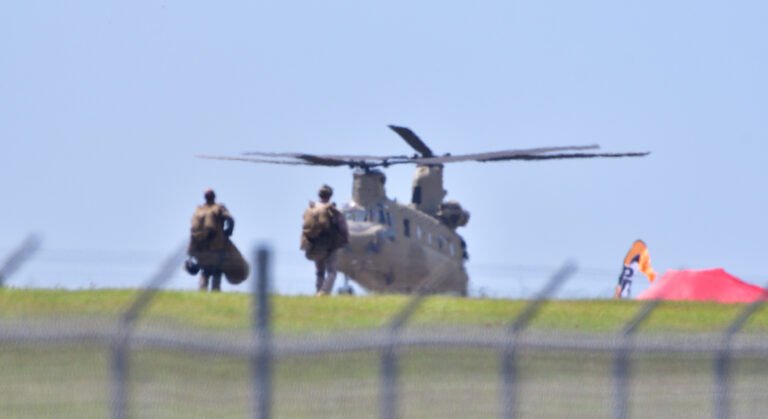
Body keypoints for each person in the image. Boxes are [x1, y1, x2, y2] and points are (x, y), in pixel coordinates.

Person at [301, 184, 349, 296]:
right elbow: (343, 228)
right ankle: (324, 293)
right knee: (332, 271)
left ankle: (318, 291)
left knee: (319, 272)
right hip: (330, 245)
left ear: (319, 195)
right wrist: (345, 240)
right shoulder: (333, 210)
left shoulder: (311, 209)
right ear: (330, 195)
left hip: (314, 244)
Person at [186, 189, 236, 292]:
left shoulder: (199, 210)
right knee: (217, 272)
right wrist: (228, 232)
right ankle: (215, 293)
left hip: (202, 247)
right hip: (217, 246)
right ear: (214, 197)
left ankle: (202, 292)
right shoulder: (219, 208)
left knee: (205, 272)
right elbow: (230, 219)